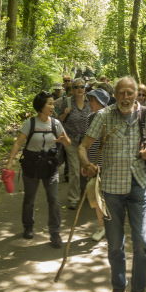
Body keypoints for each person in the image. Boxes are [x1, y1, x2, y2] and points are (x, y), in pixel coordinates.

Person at [78, 76, 146, 292]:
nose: (126, 98)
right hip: (111, 191)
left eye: (131, 93)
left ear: (137, 93)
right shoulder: (104, 117)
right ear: (115, 95)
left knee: (142, 242)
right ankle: (118, 290)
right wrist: (86, 164)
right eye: (122, 94)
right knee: (115, 244)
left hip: (138, 187)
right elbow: (83, 146)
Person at [5, 91, 71, 247]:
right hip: (31, 165)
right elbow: (18, 143)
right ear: (40, 107)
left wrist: (65, 140)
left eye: (52, 103)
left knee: (54, 200)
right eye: (49, 103)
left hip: (50, 166)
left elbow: (67, 143)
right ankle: (28, 226)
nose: (52, 106)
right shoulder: (30, 124)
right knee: (29, 199)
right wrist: (9, 163)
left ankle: (55, 232)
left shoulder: (56, 124)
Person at [81, 87, 111, 241]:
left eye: (92, 100)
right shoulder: (90, 117)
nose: (89, 102)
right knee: (95, 196)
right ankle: (102, 226)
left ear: (100, 102)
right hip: (93, 164)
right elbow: (87, 143)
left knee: (109, 198)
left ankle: (110, 227)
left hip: (108, 165)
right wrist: (85, 163)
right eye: (89, 99)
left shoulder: (110, 117)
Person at [57, 77, 90, 209]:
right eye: (76, 87)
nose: (79, 89)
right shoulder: (67, 102)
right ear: (73, 89)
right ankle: (73, 198)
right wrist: (64, 114)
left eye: (82, 87)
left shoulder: (90, 101)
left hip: (87, 142)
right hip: (71, 141)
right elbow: (58, 120)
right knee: (75, 170)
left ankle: (84, 194)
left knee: (85, 169)